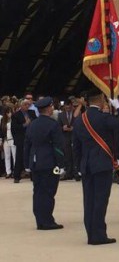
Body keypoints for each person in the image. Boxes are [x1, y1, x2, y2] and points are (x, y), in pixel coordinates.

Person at [73, 88, 119, 245]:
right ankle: (98, 235)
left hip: (86, 165)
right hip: (102, 164)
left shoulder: (79, 120)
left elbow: (76, 146)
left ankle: (91, 233)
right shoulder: (104, 118)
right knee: (100, 200)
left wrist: (79, 166)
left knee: (89, 200)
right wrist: (118, 108)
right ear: (100, 100)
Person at [24, 97, 65, 230]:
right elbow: (58, 147)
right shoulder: (53, 124)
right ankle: (47, 220)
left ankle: (40, 220)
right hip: (49, 162)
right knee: (48, 191)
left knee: (38, 191)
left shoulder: (32, 124)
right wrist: (61, 164)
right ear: (48, 108)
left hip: (35, 162)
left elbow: (27, 145)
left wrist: (27, 163)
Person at [11, 99, 37, 183]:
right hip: (21, 139)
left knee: (32, 157)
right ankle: (17, 176)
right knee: (19, 158)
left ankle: (33, 176)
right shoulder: (16, 115)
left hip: (31, 138)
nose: (27, 106)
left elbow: (37, 123)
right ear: (21, 105)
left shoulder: (32, 113)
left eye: (28, 105)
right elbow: (14, 128)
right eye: (25, 104)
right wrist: (25, 124)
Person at [0, 106, 16, 178]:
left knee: (14, 156)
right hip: (6, 140)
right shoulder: (3, 120)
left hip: (13, 139)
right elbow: (1, 131)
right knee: (7, 156)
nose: (9, 114)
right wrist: (1, 140)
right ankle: (8, 172)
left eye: (10, 112)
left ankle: (15, 171)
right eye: (8, 112)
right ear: (5, 113)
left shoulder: (14, 119)